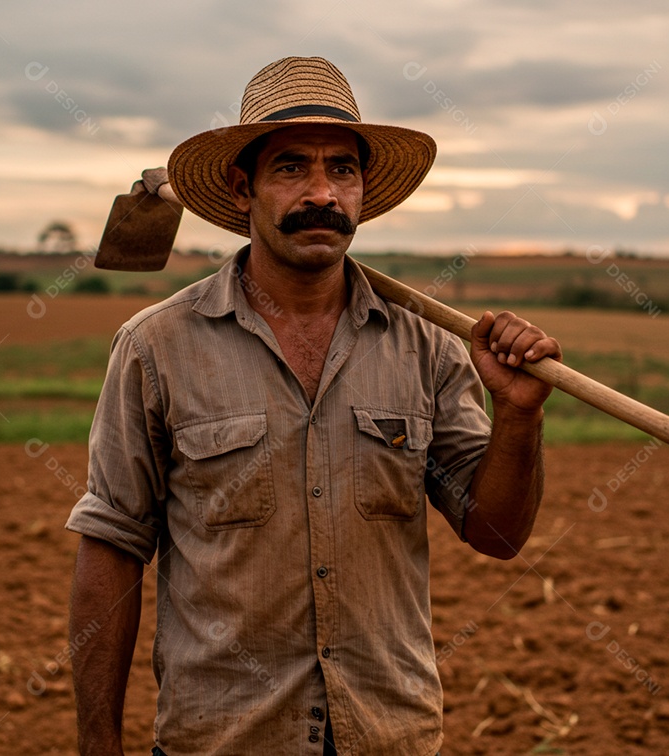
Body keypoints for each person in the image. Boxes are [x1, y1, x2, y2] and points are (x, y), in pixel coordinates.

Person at [66, 56, 561, 756]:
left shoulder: (429, 348)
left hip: (389, 736)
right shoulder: (157, 349)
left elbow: (498, 534)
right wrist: (97, 745)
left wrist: (519, 416)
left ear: (364, 191)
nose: (323, 193)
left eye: (343, 170)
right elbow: (110, 548)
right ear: (244, 189)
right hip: (222, 739)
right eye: (292, 168)